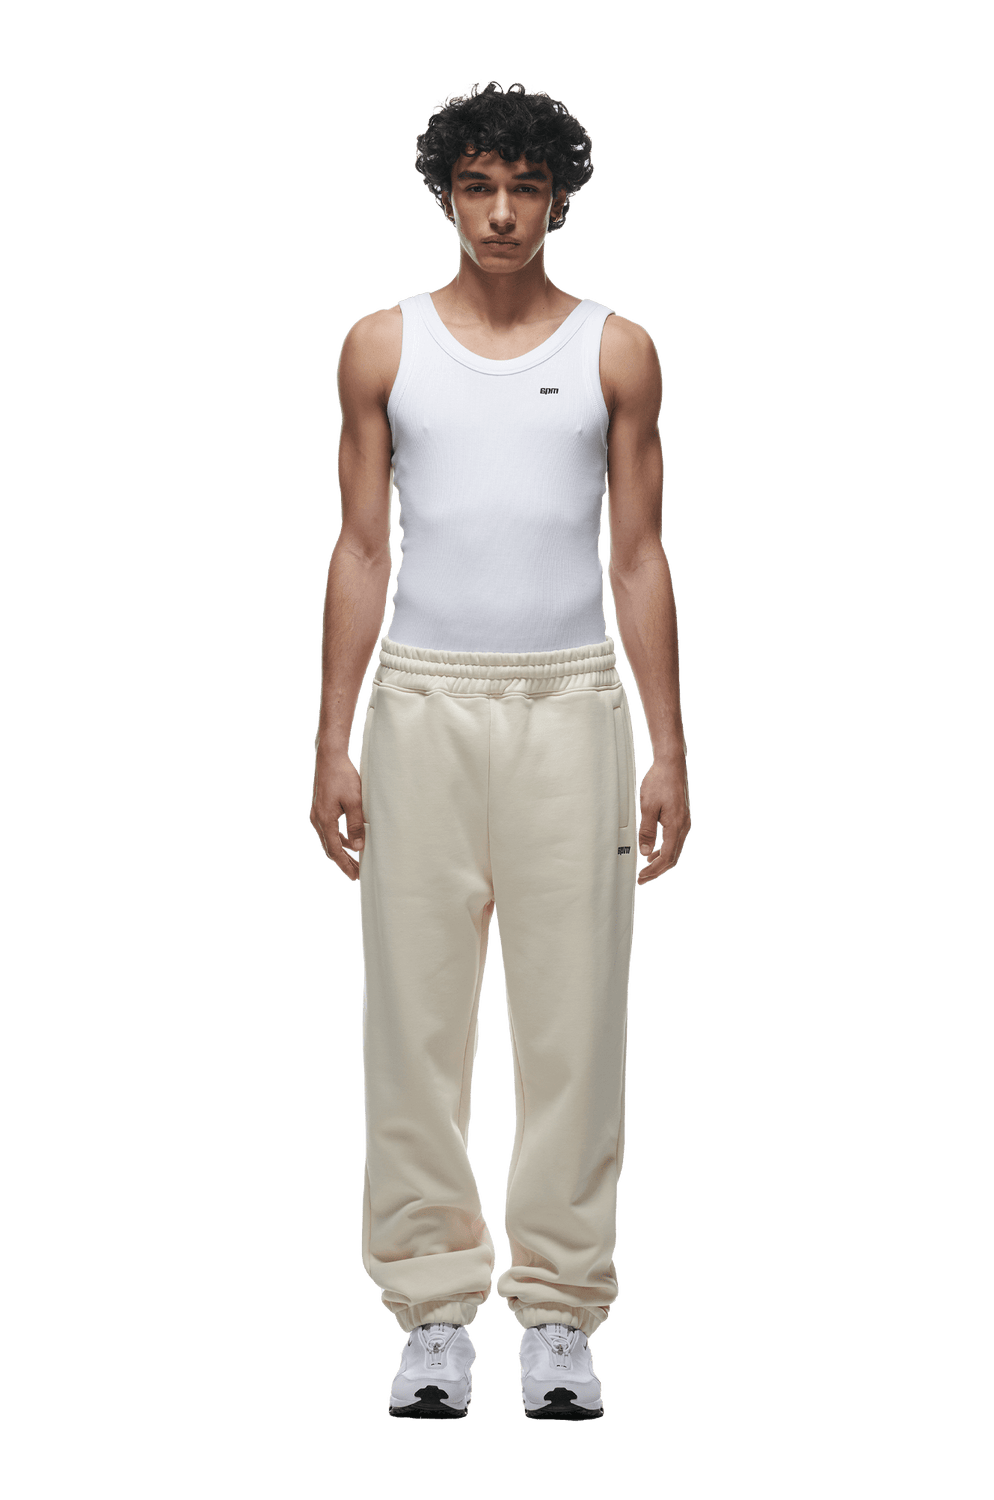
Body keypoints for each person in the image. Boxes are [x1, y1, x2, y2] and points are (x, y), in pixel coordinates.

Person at [309, 80, 691, 1421]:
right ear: (446, 194)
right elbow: (363, 547)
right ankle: (430, 1313)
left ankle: (561, 1315)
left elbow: (637, 555)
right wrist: (333, 738)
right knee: (412, 1021)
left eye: (527, 188)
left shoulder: (617, 352)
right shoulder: (382, 347)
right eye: (478, 186)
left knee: (575, 1022)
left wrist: (668, 748)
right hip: (420, 704)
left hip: (572, 707)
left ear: (561, 199)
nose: (503, 214)